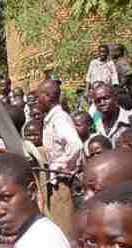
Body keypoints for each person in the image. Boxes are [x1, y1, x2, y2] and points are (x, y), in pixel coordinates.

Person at [38, 79, 84, 239]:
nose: (37, 101)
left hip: (63, 183)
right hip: (56, 182)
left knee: (64, 230)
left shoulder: (59, 119)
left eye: (39, 96)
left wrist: (58, 165)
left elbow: (76, 145)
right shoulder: (51, 118)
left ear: (48, 96)